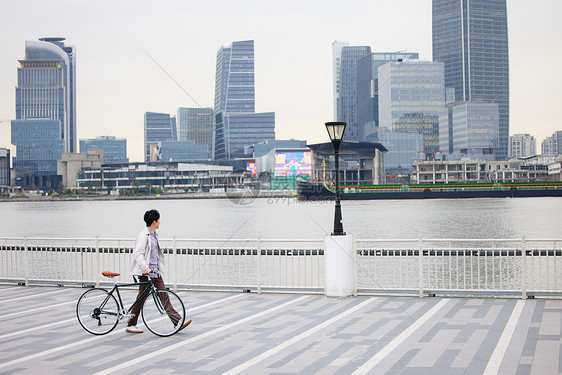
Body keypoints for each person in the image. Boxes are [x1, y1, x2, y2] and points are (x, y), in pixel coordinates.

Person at [126, 209, 191, 333]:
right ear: (154, 221)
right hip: (146, 274)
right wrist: (145, 268)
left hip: (155, 272)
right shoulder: (143, 236)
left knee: (164, 296)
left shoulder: (154, 235)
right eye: (159, 220)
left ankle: (177, 322)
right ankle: (130, 324)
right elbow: (138, 254)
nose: (160, 222)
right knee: (140, 299)